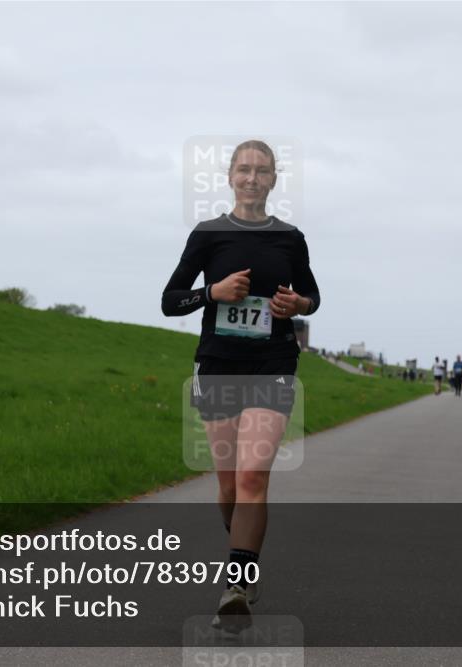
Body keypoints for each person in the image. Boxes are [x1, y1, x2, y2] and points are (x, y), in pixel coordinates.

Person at [162, 139, 319, 632]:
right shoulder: (208, 234)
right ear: (230, 177)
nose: (253, 178)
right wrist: (214, 292)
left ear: (274, 180)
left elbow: (313, 296)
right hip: (218, 364)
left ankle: (237, 582)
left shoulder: (290, 238)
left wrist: (298, 306)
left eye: (263, 171)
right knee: (229, 484)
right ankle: (244, 557)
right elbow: (170, 301)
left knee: (253, 476)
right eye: (244, 169)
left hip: (273, 362)